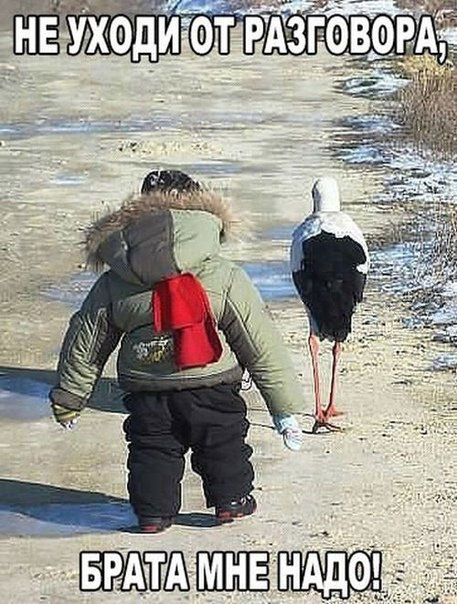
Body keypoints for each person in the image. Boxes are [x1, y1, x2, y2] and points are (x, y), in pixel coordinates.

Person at [50, 169, 305, 533]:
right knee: (222, 440)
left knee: (152, 448)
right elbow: (259, 339)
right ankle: (231, 501)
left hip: (147, 385)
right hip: (211, 381)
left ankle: (153, 514)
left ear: (136, 211)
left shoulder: (117, 278)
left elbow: (87, 338)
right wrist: (284, 409)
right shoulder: (223, 273)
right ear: (201, 210)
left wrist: (70, 396)